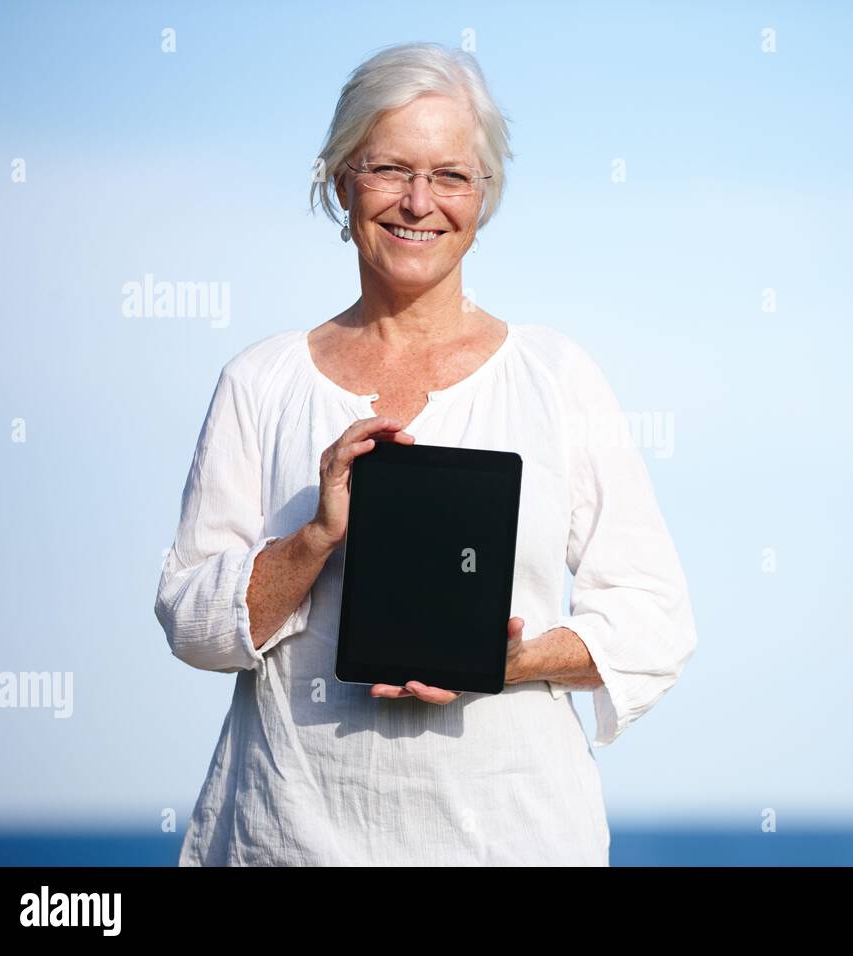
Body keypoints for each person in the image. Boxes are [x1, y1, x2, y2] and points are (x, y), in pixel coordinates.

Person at [153, 41, 697, 865]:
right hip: (288, 838)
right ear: (341, 181)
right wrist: (314, 539)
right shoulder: (259, 383)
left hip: (513, 839)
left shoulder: (556, 376)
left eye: (451, 175)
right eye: (389, 169)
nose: (418, 201)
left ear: (485, 196)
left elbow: (655, 621)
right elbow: (193, 625)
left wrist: (508, 661)